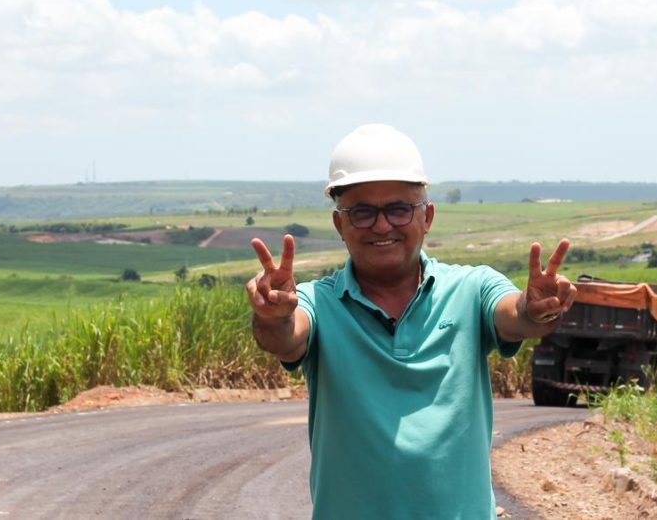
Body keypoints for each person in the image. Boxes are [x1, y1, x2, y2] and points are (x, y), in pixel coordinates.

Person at [246, 123, 577, 519]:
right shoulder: (318, 301)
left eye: (399, 209)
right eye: (362, 212)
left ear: (427, 216)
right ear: (339, 225)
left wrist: (537, 309)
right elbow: (285, 336)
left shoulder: (472, 288)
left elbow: (515, 315)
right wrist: (271, 315)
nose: (382, 225)